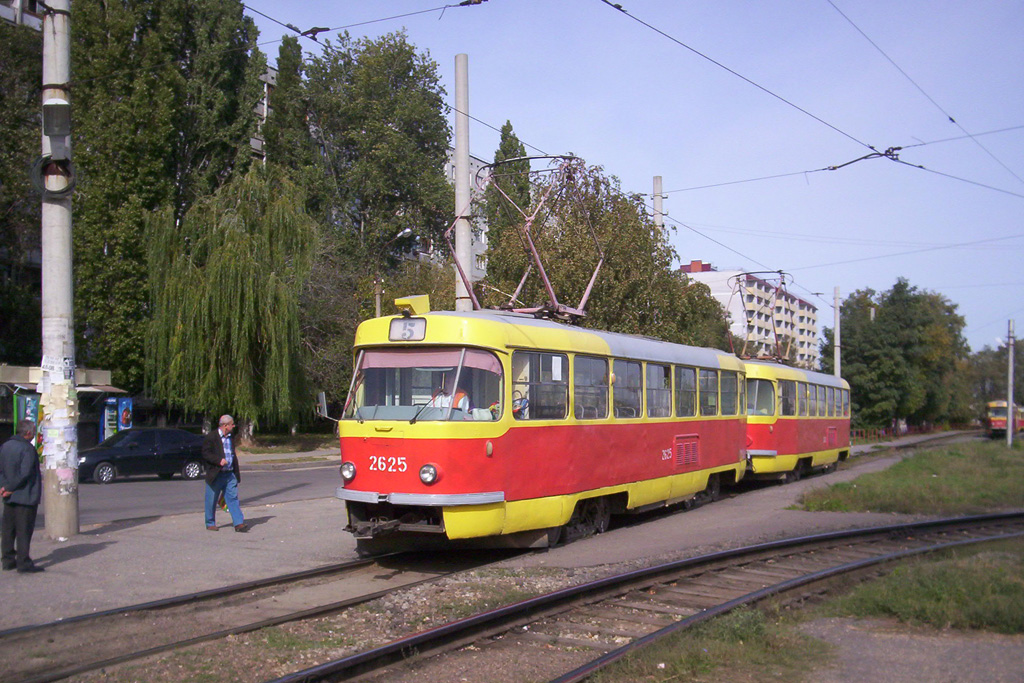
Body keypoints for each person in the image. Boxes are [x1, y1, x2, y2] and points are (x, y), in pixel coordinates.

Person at [0, 420, 43, 573]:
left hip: (9, 496)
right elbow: (25, 473)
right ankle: (23, 562)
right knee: (24, 530)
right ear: (28, 433)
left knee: (8, 530)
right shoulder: (27, 449)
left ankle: (7, 559)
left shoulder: (5, 446)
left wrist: (4, 487)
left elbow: (2, 470)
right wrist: (10, 488)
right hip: (25, 495)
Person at [201, 415, 248, 532]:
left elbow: (232, 454)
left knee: (232, 498)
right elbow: (206, 453)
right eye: (232, 424)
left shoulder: (231, 437)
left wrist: (235, 472)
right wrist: (218, 460)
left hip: (229, 473)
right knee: (211, 499)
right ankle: (210, 523)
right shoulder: (211, 437)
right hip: (216, 474)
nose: (234, 426)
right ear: (225, 425)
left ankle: (238, 523)